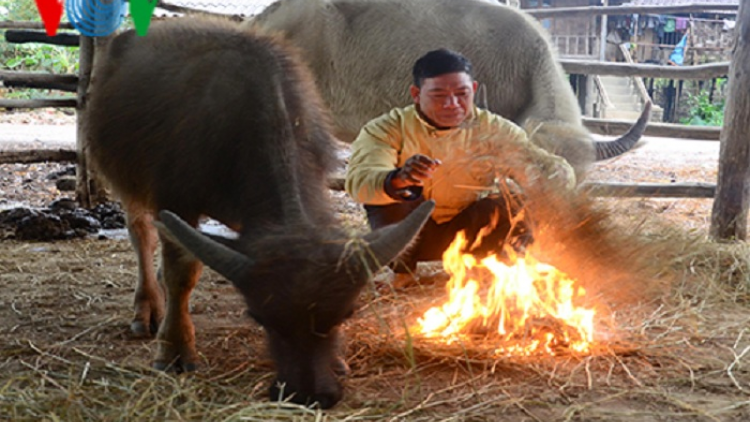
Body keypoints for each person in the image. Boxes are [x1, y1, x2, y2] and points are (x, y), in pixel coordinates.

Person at [345, 48, 574, 288]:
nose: (451, 104)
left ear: (473, 90)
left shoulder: (494, 129)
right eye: (438, 95)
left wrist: (554, 175)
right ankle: (403, 272)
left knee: (516, 205)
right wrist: (401, 179)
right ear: (416, 94)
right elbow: (360, 181)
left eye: (461, 94)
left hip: (469, 231)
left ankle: (485, 270)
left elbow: (539, 162)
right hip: (410, 235)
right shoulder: (386, 129)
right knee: (392, 196)